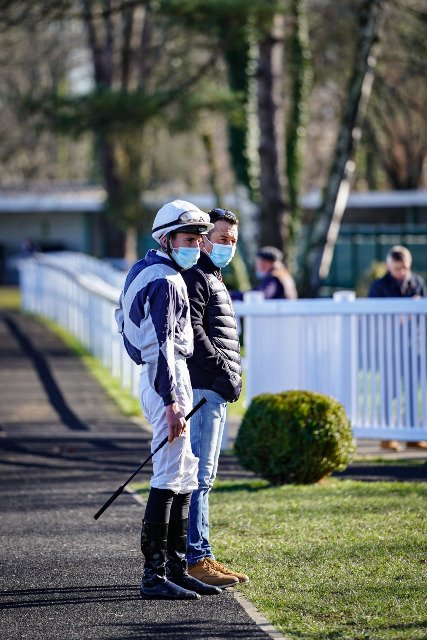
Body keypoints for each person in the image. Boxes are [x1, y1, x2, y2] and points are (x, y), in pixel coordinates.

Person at [116, 200, 223, 600]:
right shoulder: (167, 280)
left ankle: (177, 569)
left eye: (198, 238)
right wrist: (172, 400)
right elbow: (161, 343)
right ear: (166, 240)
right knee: (167, 475)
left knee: (186, 471)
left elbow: (122, 321)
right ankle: (155, 575)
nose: (196, 245)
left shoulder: (143, 269)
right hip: (168, 378)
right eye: (188, 239)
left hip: (162, 375)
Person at [181, 207, 249, 588]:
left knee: (205, 477)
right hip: (204, 390)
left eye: (233, 241)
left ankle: (203, 553)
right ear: (205, 240)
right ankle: (196, 559)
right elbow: (194, 332)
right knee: (199, 478)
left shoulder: (213, 276)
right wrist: (225, 371)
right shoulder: (197, 276)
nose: (229, 246)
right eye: (223, 239)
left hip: (214, 391)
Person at [368, 245, 427, 451]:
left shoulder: (417, 282)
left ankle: (412, 435)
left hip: (413, 346)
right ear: (388, 266)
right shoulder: (379, 286)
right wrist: (401, 316)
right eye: (397, 269)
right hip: (389, 347)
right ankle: (387, 435)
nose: (402, 273)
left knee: (411, 390)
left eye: (405, 268)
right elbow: (373, 319)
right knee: (390, 390)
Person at [231, 245, 297, 301]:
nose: (257, 267)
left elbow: (261, 295)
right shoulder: (282, 275)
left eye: (258, 263)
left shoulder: (275, 277)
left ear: (266, 263)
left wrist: (231, 295)